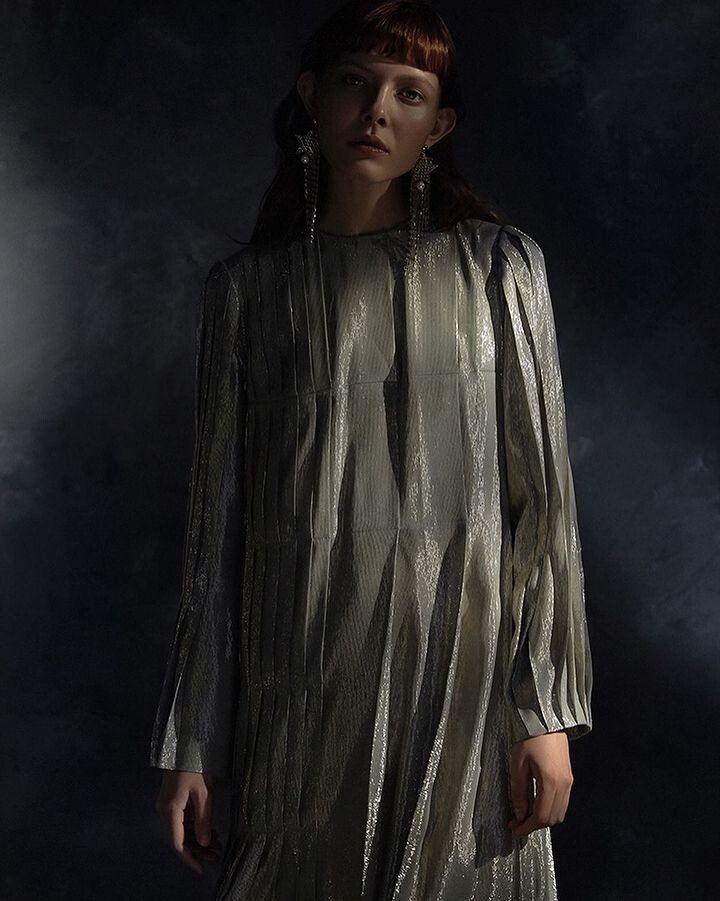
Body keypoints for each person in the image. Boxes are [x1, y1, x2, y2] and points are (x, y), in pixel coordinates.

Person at [149, 1, 593, 898]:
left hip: (461, 678)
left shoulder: (499, 268)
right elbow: (217, 531)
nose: (378, 110)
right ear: (313, 96)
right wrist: (192, 740)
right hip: (299, 674)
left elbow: (540, 506)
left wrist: (544, 711)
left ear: (440, 125)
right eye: (356, 82)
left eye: (408, 92)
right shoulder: (249, 293)